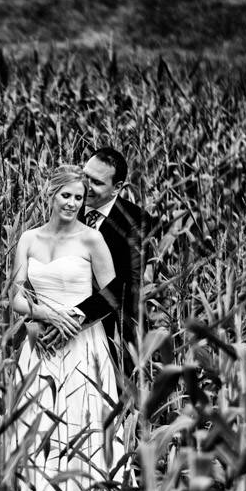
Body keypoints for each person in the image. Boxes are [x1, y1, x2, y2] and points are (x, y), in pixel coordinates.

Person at [7, 164, 123, 491]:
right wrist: (41, 317)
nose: (73, 203)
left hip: (81, 345)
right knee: (39, 428)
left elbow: (111, 295)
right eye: (66, 195)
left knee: (81, 426)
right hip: (40, 343)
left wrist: (72, 319)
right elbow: (17, 295)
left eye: (78, 196)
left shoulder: (92, 240)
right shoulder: (28, 238)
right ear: (51, 194)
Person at [70, 147, 150, 380]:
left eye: (96, 182)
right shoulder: (67, 206)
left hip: (108, 331)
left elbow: (127, 284)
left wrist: (80, 314)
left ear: (117, 188)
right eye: (84, 176)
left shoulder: (137, 221)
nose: (85, 186)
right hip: (61, 322)